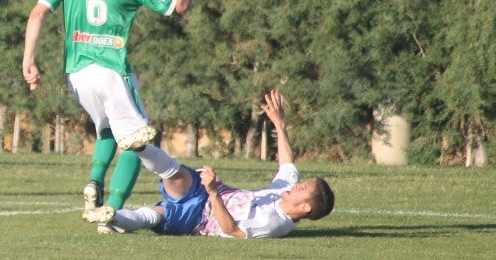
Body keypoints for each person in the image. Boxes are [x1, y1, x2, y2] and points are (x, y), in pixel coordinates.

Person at [21, 0, 206, 230]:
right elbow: (179, 4)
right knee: (137, 140)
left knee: (106, 129)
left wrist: (29, 60)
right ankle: (111, 213)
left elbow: (37, 13)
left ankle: (94, 182)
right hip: (111, 74)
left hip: (77, 77)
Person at [83, 89, 335, 238]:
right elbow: (288, 164)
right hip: (207, 192)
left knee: (151, 216)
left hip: (199, 218)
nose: (298, 184)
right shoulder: (282, 192)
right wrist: (279, 125)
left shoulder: (275, 223)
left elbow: (233, 231)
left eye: (303, 188)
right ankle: (139, 147)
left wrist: (214, 192)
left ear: (305, 208)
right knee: (174, 172)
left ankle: (112, 216)